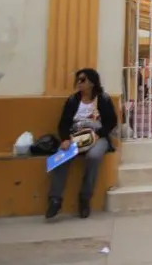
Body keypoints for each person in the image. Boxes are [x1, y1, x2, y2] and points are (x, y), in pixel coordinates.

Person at [47, 68, 118, 220]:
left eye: (83, 80)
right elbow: (64, 123)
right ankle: (55, 199)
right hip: (76, 136)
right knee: (61, 157)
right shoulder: (73, 100)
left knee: (93, 157)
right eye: (78, 80)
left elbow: (111, 121)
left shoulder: (103, 99)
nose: (79, 83)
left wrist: (99, 134)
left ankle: (85, 198)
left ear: (92, 82)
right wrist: (65, 139)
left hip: (98, 136)